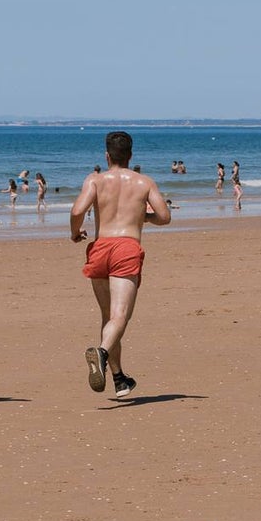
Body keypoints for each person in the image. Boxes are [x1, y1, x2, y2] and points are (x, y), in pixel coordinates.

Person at [70, 131, 171, 399]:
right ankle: (101, 353)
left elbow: (77, 211)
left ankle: (119, 378)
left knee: (108, 318)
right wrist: (142, 217)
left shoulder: (95, 180)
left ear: (106, 156)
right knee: (120, 317)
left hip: (100, 247)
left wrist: (74, 233)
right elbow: (164, 216)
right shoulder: (143, 182)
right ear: (131, 155)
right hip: (126, 247)